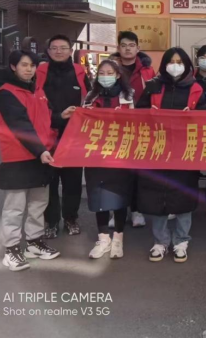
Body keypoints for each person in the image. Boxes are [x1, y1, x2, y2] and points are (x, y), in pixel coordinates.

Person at [136, 48, 206, 263]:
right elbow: (138, 113)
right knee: (157, 196)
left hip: (185, 150)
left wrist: (193, 117)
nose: (175, 65)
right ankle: (160, 241)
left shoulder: (196, 88)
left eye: (179, 62)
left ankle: (182, 240)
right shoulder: (153, 85)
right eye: (171, 61)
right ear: (164, 64)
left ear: (187, 65)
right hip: (157, 149)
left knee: (183, 195)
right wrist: (150, 115)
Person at [0, 51, 63, 272]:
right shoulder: (6, 93)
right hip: (18, 157)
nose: (29, 69)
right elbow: (20, 125)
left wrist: (62, 116)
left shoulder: (38, 91)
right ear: (13, 66)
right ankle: (11, 249)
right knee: (14, 207)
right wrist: (40, 150)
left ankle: (34, 242)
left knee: (38, 203)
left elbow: (46, 119)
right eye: (24, 65)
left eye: (32, 66)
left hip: (42, 156)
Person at [36, 35, 89, 239]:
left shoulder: (79, 72)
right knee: (49, 181)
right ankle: (51, 222)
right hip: (47, 135)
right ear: (48, 51)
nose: (59, 51)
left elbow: (90, 100)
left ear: (70, 50)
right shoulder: (40, 72)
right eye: (54, 48)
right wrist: (57, 117)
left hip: (74, 137)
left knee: (72, 182)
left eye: (63, 48)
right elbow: (33, 105)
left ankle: (70, 218)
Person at [84, 60, 136, 260]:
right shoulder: (91, 96)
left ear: (117, 75)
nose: (105, 76)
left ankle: (118, 238)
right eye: (102, 73)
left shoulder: (128, 96)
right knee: (98, 196)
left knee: (118, 195)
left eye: (109, 73)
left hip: (120, 153)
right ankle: (103, 238)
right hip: (96, 153)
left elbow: (136, 124)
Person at [112, 31, 155, 229]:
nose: (127, 49)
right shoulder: (109, 69)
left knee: (139, 172)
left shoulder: (147, 71)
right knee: (117, 172)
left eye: (131, 45)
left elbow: (154, 97)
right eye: (124, 45)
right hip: (116, 129)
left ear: (138, 48)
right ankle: (116, 210)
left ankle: (137, 210)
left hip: (141, 128)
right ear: (118, 48)